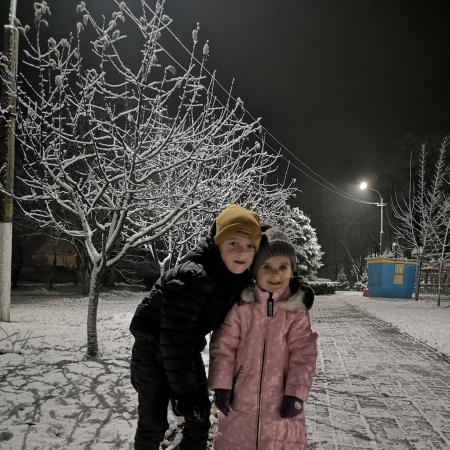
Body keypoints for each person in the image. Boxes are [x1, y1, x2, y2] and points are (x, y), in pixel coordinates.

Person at [129, 204, 262, 450]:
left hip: (185, 349)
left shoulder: (235, 280)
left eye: (249, 246)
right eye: (233, 243)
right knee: (153, 423)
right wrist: (185, 393)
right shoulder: (193, 276)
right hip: (151, 351)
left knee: (199, 418)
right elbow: (175, 341)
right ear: (218, 243)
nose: (241, 252)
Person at [208, 226, 318, 450]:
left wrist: (296, 393)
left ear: (292, 270)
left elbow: (304, 355)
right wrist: (222, 384)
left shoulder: (296, 312)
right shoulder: (242, 307)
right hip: (240, 405)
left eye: (283, 267)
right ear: (255, 271)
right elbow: (223, 346)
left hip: (281, 409)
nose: (275, 274)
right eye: (266, 267)